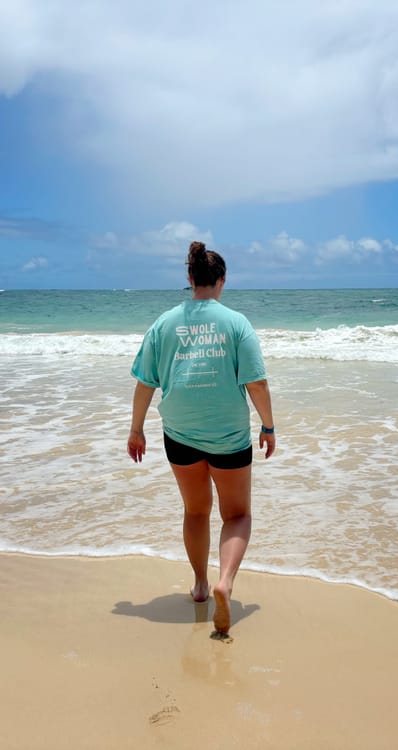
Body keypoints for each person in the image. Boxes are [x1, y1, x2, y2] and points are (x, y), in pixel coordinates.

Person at [127, 241, 275, 635]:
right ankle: (226, 581)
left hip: (180, 433)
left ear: (190, 280)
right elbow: (256, 382)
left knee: (196, 512)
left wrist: (136, 429)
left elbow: (146, 383)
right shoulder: (236, 323)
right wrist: (268, 426)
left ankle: (199, 585)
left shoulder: (164, 324)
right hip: (227, 434)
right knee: (237, 515)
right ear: (221, 281)